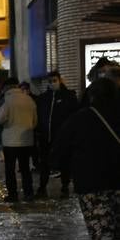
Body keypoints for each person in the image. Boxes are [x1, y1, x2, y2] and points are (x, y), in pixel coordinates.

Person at [52, 76, 120, 240]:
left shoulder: (81, 118)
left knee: (100, 227)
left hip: (92, 183)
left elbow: (59, 150)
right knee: (117, 225)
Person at [36, 70, 80, 198]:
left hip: (62, 137)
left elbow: (73, 115)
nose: (52, 83)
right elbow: (40, 115)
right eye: (50, 81)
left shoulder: (69, 96)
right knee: (44, 163)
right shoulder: (44, 98)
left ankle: (65, 186)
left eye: (54, 80)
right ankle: (42, 187)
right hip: (45, 136)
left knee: (64, 162)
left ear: (60, 80)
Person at [0, 76, 37, 203]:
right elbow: (35, 121)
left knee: (10, 170)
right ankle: (28, 194)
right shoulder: (29, 99)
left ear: (7, 87)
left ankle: (13, 195)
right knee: (25, 169)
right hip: (27, 140)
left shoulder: (7, 101)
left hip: (10, 142)